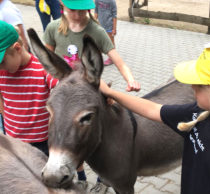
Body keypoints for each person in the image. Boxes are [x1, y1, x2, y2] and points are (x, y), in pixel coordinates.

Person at [100, 39, 210, 194]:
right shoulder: (197, 116)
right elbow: (153, 110)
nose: (191, 87)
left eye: (199, 85)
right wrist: (111, 93)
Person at [43, 0, 140, 191]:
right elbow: (47, 59)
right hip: (65, 92)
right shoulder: (53, 28)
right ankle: (79, 176)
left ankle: (102, 179)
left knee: (94, 137)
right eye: (73, 11)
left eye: (83, 11)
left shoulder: (96, 31)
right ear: (62, 6)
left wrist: (130, 79)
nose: (78, 16)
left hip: (90, 90)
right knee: (70, 137)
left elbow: (117, 60)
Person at [0, 21, 58, 156]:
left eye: (2, 62)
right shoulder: (1, 72)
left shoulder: (42, 70)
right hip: (14, 142)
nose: (1, 68)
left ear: (17, 48)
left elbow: (66, 87)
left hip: (41, 144)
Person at [94, 0, 117, 66]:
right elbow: (96, 12)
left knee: (110, 42)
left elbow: (114, 16)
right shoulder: (97, 0)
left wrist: (114, 29)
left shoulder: (112, 1)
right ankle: (98, 57)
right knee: (99, 42)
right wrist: (94, 23)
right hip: (100, 26)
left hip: (109, 26)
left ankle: (112, 58)